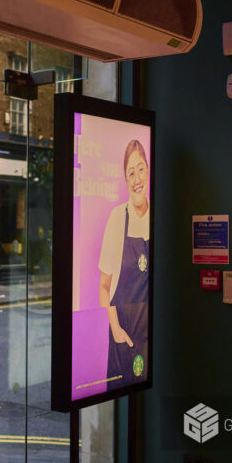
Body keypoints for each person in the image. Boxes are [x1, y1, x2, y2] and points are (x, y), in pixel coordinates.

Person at [98, 139, 150, 387]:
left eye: (141, 168)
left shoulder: (157, 215)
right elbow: (104, 288)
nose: (137, 178)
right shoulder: (118, 219)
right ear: (125, 179)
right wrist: (116, 329)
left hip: (151, 335)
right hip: (124, 338)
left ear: (148, 170)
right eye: (131, 172)